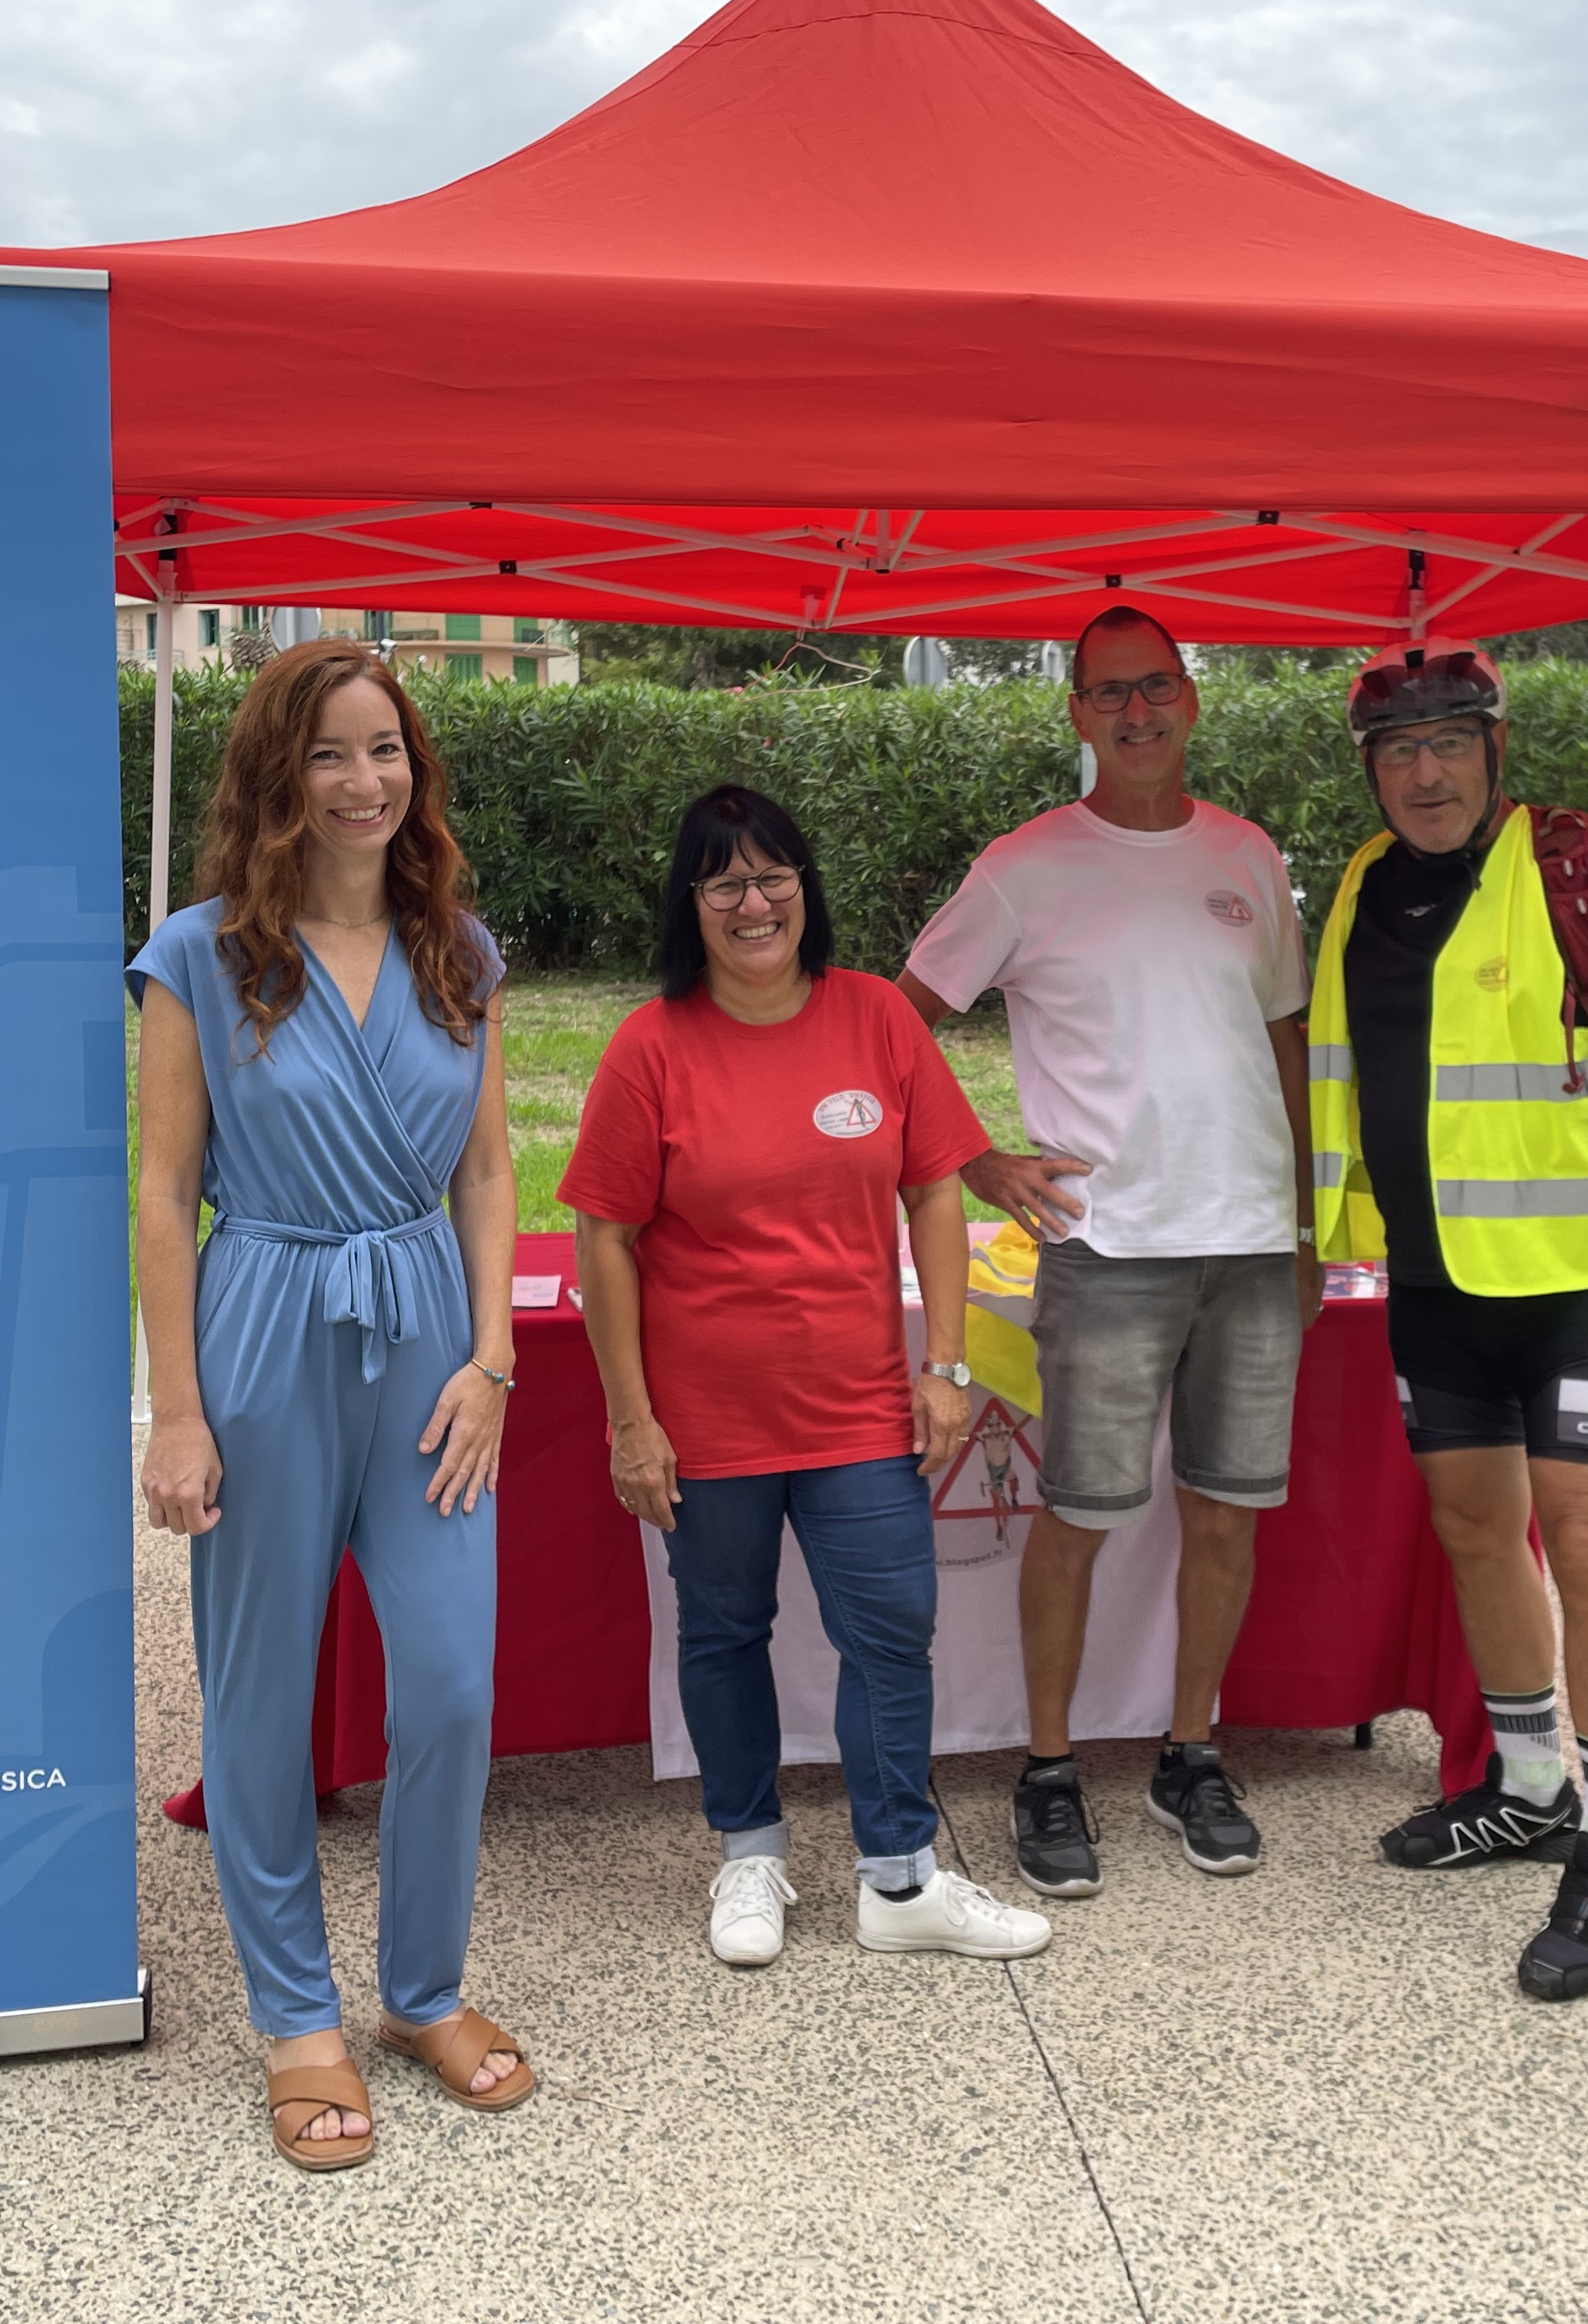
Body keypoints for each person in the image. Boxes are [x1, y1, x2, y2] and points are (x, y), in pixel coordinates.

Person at [132, 642, 530, 2173]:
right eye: (331, 756)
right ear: (275, 778)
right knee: (258, 1692)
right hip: (265, 1322)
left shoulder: (460, 951)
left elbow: (489, 1172)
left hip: (431, 1336)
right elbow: (164, 1194)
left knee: (446, 1683)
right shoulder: (201, 954)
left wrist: (491, 1357)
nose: (367, 783)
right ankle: (297, 2017)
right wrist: (177, 1410)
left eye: (389, 753)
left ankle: (422, 1992)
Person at [1306, 638, 1588, 2000]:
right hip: (1438, 1280)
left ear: (1495, 750)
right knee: (1472, 1530)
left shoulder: (1580, 859)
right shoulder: (1367, 886)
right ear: (1372, 772)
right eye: (1397, 750)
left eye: (1449, 743)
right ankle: (1534, 1784)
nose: (1423, 773)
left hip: (1584, 1275)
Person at [564, 786, 1051, 1970]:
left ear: (805, 888)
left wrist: (944, 1364)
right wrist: (633, 1421)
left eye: (774, 876)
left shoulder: (877, 1018)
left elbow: (937, 1185)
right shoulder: (651, 1045)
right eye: (724, 881)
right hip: (708, 1421)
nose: (753, 902)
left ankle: (900, 1875)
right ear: (692, 902)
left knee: (892, 1630)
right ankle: (749, 1856)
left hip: (858, 1411)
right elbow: (605, 1239)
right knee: (725, 1632)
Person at [899, 605, 1318, 1898]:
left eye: (1157, 688)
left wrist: (1304, 1221)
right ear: (1077, 715)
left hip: (1251, 1246)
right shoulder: (1026, 866)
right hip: (1109, 1246)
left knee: (1227, 1517)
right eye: (1108, 694)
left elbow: (1288, 1043)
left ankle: (1192, 1753)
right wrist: (978, 1162)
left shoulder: (1247, 856)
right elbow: (897, 1024)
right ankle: (1047, 1769)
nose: (1136, 713)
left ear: (1191, 699)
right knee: (1077, 1520)